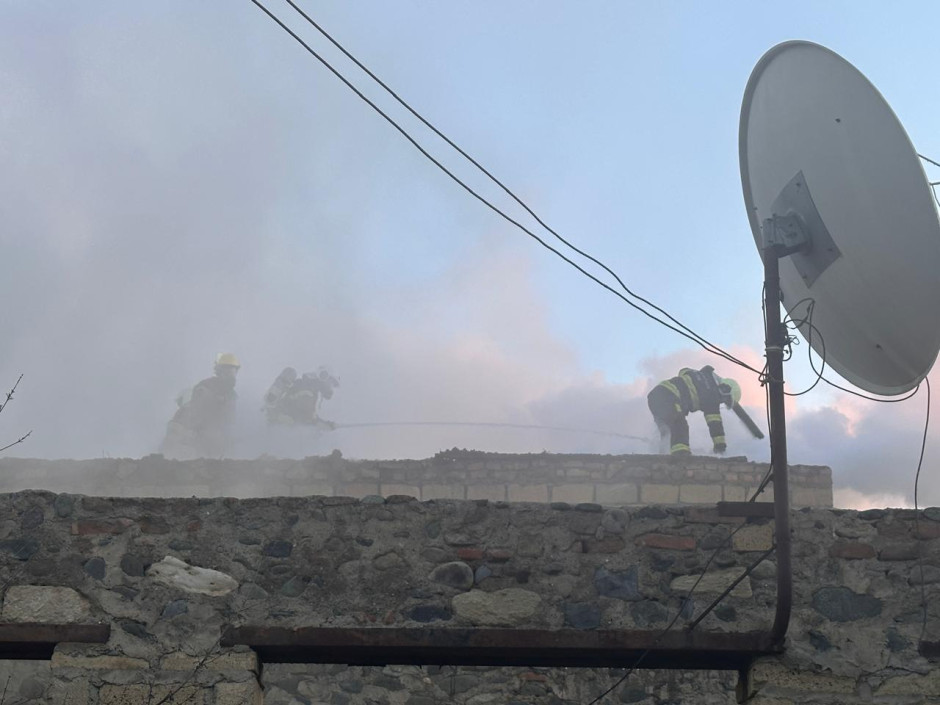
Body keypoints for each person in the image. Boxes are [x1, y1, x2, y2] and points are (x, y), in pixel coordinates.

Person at [647, 365, 762, 456]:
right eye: (726, 399)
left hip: (655, 396)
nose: (722, 401)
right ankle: (681, 458)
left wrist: (697, 378)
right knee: (679, 425)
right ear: (725, 388)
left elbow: (683, 370)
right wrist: (720, 448)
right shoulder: (712, 395)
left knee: (666, 431)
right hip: (668, 396)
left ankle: (662, 457)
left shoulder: (704, 374)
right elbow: (715, 425)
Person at [161, 353, 240, 459]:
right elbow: (194, 411)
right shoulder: (207, 386)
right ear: (219, 371)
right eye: (226, 371)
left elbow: (230, 422)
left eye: (233, 371)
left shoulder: (232, 395)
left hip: (217, 445)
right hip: (199, 439)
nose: (230, 375)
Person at [263, 366, 339, 429]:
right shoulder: (308, 390)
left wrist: (324, 424)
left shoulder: (307, 386)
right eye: (330, 383)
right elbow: (305, 416)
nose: (330, 387)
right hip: (280, 423)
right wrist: (322, 424)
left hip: (280, 421)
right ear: (324, 378)